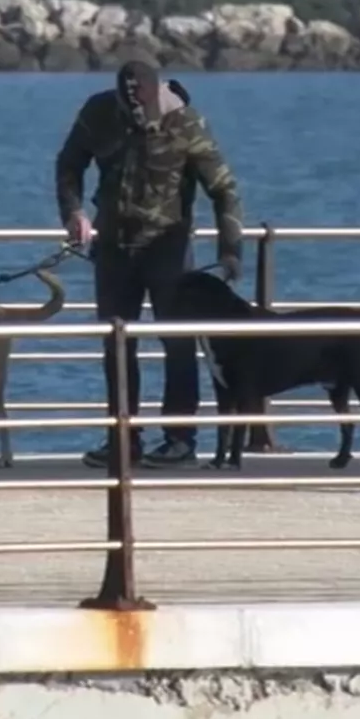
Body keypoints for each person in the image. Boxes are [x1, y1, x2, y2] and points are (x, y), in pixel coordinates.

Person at [55, 59, 245, 469]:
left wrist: (231, 249)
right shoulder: (98, 113)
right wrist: (73, 213)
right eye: (128, 107)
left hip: (168, 250)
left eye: (141, 105)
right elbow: (69, 164)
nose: (136, 114)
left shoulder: (186, 123)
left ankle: (179, 438)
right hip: (113, 248)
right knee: (116, 343)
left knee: (177, 343)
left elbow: (224, 190)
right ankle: (123, 437)